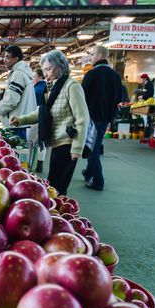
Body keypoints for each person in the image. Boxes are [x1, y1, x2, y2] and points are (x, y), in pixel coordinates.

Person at [11, 50, 89, 196]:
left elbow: (82, 118)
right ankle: (56, 211)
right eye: (44, 70)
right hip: (58, 142)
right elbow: (41, 112)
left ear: (60, 67)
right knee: (56, 184)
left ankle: (56, 214)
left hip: (68, 143)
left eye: (48, 69)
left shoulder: (72, 86)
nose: (45, 73)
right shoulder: (52, 87)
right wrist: (21, 120)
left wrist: (77, 148)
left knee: (56, 185)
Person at [81, 45, 123, 191]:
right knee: (95, 144)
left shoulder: (91, 74)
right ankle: (88, 172)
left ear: (99, 56)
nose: (91, 57)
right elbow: (119, 98)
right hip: (105, 118)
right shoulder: (116, 76)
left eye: (92, 54)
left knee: (92, 148)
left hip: (92, 118)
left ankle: (98, 181)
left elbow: (82, 97)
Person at [0, 45, 33, 137]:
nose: (4, 60)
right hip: (19, 121)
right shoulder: (23, 72)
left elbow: (11, 100)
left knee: (16, 149)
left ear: (16, 59)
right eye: (4, 57)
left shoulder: (18, 74)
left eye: (7, 57)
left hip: (16, 123)